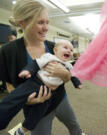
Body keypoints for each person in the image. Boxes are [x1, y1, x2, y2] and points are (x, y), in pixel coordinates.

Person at [0, 0, 86, 135]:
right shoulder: (8, 51)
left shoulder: (54, 47)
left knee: (73, 124)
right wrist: (27, 101)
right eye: (40, 22)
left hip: (60, 98)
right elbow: (9, 84)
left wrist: (65, 75)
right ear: (23, 23)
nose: (46, 28)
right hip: (36, 107)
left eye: (47, 22)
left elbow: (69, 74)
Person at [0, 40, 82, 134]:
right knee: (15, 97)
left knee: (37, 113)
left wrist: (77, 83)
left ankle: (24, 128)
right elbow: (36, 63)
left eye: (71, 50)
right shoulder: (49, 57)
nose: (69, 51)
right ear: (55, 50)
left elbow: (73, 75)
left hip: (50, 92)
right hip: (35, 83)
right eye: (65, 48)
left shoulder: (68, 65)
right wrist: (28, 71)